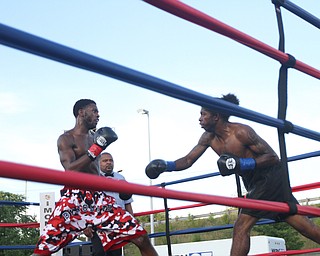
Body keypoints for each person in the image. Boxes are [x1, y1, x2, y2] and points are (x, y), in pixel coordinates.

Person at [145, 93, 320, 256]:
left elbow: (273, 157)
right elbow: (188, 160)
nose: (199, 118)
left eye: (203, 114)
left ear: (216, 116)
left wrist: (243, 163)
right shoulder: (208, 137)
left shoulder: (241, 132)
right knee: (304, 226)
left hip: (269, 178)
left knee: (241, 226)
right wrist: (165, 166)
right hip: (254, 183)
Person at [32, 99, 158, 256]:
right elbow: (70, 170)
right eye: (94, 111)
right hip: (74, 199)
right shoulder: (66, 138)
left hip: (98, 198)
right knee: (44, 249)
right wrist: (97, 148)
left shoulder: (94, 137)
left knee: (141, 237)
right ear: (81, 112)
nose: (98, 115)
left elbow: (94, 172)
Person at [90, 152, 134, 256]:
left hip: (118, 222)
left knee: (116, 253)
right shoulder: (92, 178)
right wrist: (86, 224)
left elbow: (127, 202)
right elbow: (86, 202)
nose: (109, 163)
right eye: (105, 161)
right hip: (98, 222)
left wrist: (132, 220)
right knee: (99, 253)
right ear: (98, 163)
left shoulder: (121, 178)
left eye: (111, 160)